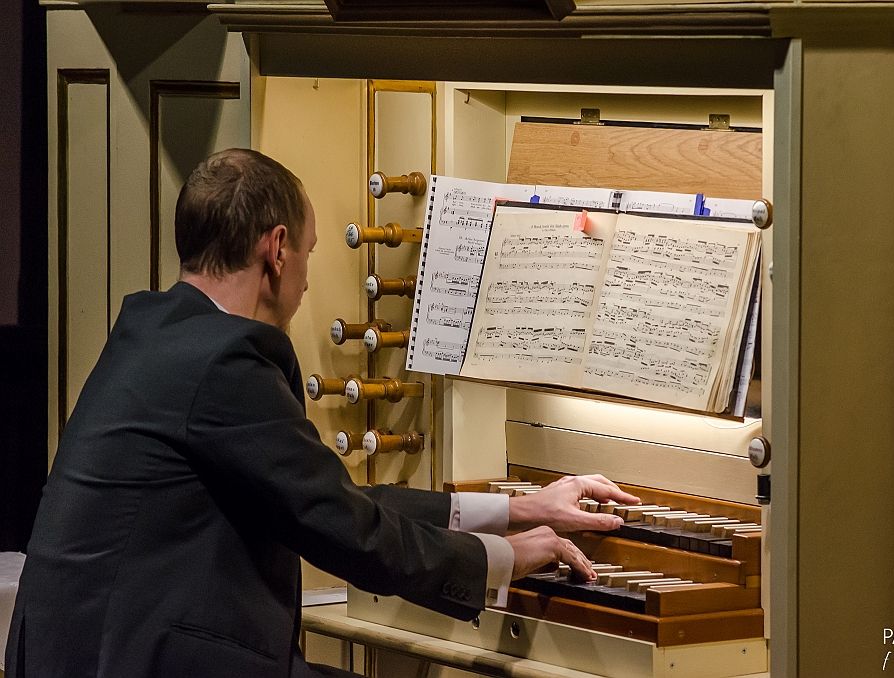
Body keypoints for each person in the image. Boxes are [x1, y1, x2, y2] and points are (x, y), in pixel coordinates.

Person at [5, 148, 639, 678]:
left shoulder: (155, 330)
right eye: (308, 254)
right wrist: (501, 559)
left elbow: (320, 499)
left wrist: (517, 509)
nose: (307, 282)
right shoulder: (225, 359)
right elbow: (347, 530)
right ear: (277, 249)